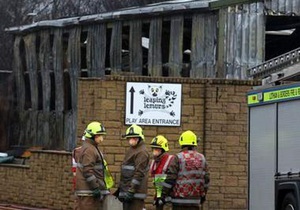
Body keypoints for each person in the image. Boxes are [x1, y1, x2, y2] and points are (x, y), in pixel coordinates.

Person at [159, 130, 210, 210]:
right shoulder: (202, 158)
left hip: (179, 201)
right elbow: (206, 180)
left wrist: (162, 195)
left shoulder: (178, 157)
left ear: (181, 143)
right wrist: (203, 195)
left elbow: (170, 179)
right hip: (195, 201)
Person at [74, 121, 111, 210]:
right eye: (99, 135)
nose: (101, 138)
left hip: (89, 191)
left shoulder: (91, 147)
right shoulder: (89, 150)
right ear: (93, 135)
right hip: (89, 192)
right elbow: (88, 171)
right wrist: (95, 187)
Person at [113, 124, 150, 210]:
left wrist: (131, 191)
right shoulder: (133, 150)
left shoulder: (142, 152)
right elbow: (127, 172)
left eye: (134, 138)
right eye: (129, 138)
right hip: (128, 192)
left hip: (135, 194)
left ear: (139, 138)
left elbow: (139, 173)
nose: (131, 140)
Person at [149, 135, 174, 210]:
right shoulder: (154, 162)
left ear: (163, 149)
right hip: (159, 195)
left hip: (168, 197)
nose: (154, 150)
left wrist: (162, 196)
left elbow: (171, 179)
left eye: (157, 149)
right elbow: (157, 180)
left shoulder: (170, 160)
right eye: (153, 148)